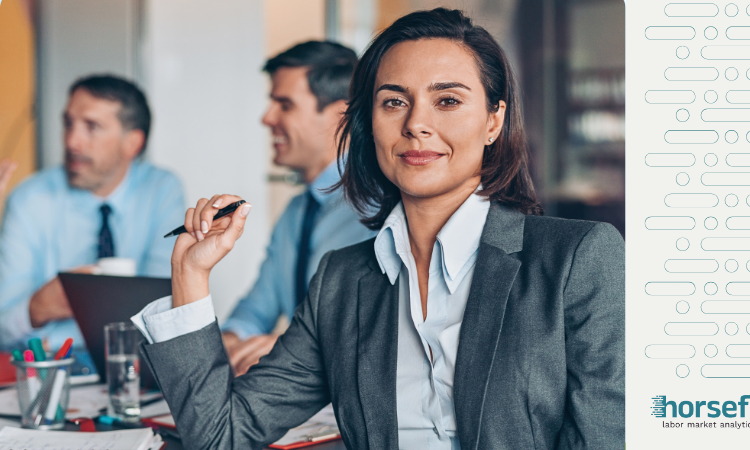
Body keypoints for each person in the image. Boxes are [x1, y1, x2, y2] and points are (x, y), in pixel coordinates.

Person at [133, 8, 624, 450]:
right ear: (369, 121)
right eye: (393, 102)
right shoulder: (341, 281)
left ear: (494, 121)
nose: (416, 125)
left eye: (448, 101)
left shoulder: (576, 259)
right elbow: (220, 435)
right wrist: (190, 277)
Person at [220, 41, 376, 375]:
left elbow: (376, 329)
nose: (267, 118)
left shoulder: (379, 207)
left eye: (284, 105)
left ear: (340, 115)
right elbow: (256, 309)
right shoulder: (295, 212)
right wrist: (230, 341)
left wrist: (289, 348)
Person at [0, 74, 185, 355]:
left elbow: (165, 309)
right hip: (54, 371)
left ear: (132, 143)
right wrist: (36, 309)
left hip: (136, 370)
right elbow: (3, 327)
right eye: (68, 123)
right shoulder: (29, 199)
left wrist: (64, 331)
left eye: (92, 127)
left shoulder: (162, 190)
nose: (72, 141)